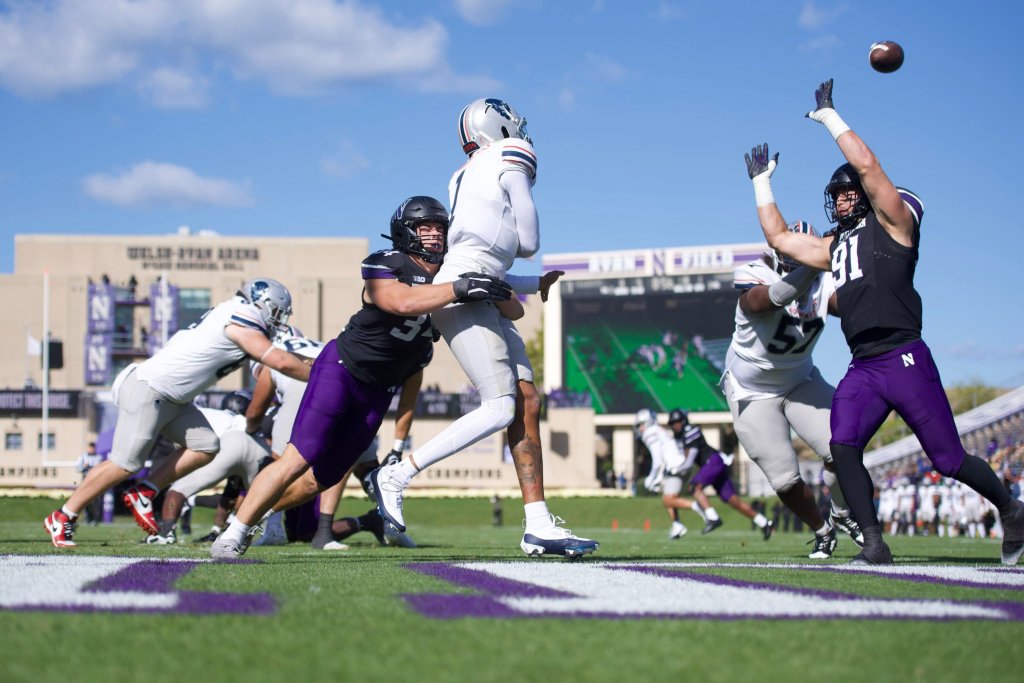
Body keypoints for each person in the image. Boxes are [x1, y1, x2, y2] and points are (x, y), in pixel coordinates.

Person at [744, 77, 1024, 565]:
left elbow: (869, 167)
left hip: (904, 355)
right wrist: (760, 182)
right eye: (840, 196)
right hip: (864, 365)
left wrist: (829, 116)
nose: (843, 201)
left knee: (948, 460)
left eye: (850, 194)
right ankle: (873, 541)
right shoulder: (838, 245)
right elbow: (780, 238)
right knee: (843, 445)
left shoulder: (894, 224)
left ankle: (1012, 509)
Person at [210, 196, 513, 559]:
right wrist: (462, 288)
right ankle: (233, 533)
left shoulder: (452, 271)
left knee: (318, 481)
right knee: (296, 458)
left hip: (379, 391)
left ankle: (254, 516)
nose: (433, 235)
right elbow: (400, 303)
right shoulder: (387, 262)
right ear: (406, 231)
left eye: (439, 228)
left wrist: (492, 284)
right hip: (341, 370)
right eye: (424, 227)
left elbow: (514, 309)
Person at [370, 99, 598, 559]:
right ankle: (397, 473)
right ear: (500, 123)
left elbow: (482, 256)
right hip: (465, 292)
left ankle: (538, 525)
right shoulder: (512, 152)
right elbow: (528, 243)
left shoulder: (463, 174)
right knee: (499, 408)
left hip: (477, 285)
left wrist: (535, 284)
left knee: (526, 403)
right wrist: (528, 266)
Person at [44, 278, 311, 548]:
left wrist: (315, 362)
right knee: (124, 463)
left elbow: (280, 356)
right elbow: (277, 361)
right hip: (150, 388)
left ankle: (145, 491)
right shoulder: (242, 317)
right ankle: (63, 515)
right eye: (276, 313)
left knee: (206, 445)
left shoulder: (233, 314)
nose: (278, 321)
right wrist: (319, 375)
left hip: (174, 397)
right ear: (261, 304)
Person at [720, 222, 864, 559]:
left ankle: (842, 513)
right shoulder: (754, 273)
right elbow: (772, 299)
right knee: (784, 478)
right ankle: (822, 531)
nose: (794, 258)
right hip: (752, 391)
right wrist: (819, 259)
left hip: (800, 379)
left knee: (844, 447)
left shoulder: (823, 279)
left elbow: (852, 304)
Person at [145, 392, 270, 544]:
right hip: (257, 445)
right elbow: (231, 492)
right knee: (262, 496)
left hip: (228, 442)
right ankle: (249, 532)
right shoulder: (238, 419)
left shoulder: (195, 414)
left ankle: (166, 534)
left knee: (177, 490)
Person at [665, 408, 774, 539]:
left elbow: (688, 462)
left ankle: (713, 517)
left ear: (683, 421)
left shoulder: (690, 431)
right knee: (733, 500)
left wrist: (674, 470)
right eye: (673, 423)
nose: (675, 425)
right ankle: (764, 523)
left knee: (694, 487)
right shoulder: (683, 436)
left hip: (712, 462)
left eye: (677, 422)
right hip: (715, 463)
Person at [633, 408, 709, 539]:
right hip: (677, 465)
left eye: (640, 425)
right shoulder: (659, 430)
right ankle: (677, 525)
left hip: (676, 466)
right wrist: (659, 477)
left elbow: (657, 459)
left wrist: (651, 477)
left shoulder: (650, 432)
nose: (639, 428)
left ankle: (697, 507)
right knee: (668, 497)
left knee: (668, 500)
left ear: (647, 423)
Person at [75, 442, 105, 525]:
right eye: (90, 448)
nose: (91, 450)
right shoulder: (83, 457)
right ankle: (88, 519)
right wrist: (84, 466)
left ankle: (96, 519)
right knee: (86, 500)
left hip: (96, 480)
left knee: (96, 500)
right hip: (86, 480)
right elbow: (77, 468)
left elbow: (101, 468)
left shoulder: (99, 457)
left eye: (93, 448)